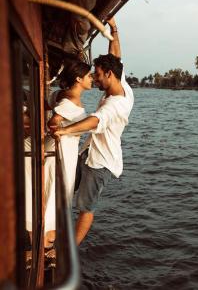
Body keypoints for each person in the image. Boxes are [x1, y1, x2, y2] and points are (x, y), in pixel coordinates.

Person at [52, 16, 134, 245]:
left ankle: (68, 250)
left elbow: (93, 122)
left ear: (108, 74)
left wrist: (65, 131)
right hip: (88, 154)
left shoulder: (115, 105)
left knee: (85, 208)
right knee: (64, 190)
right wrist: (114, 28)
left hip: (101, 163)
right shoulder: (121, 82)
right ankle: (54, 232)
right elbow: (115, 55)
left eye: (97, 74)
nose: (95, 79)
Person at [43, 61, 93, 265]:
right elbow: (53, 123)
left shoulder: (63, 96)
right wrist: (60, 133)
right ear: (79, 79)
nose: (92, 79)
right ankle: (46, 244)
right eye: (89, 76)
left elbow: (49, 101)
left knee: (57, 194)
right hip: (63, 152)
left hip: (68, 151)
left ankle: (48, 240)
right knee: (57, 193)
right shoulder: (69, 102)